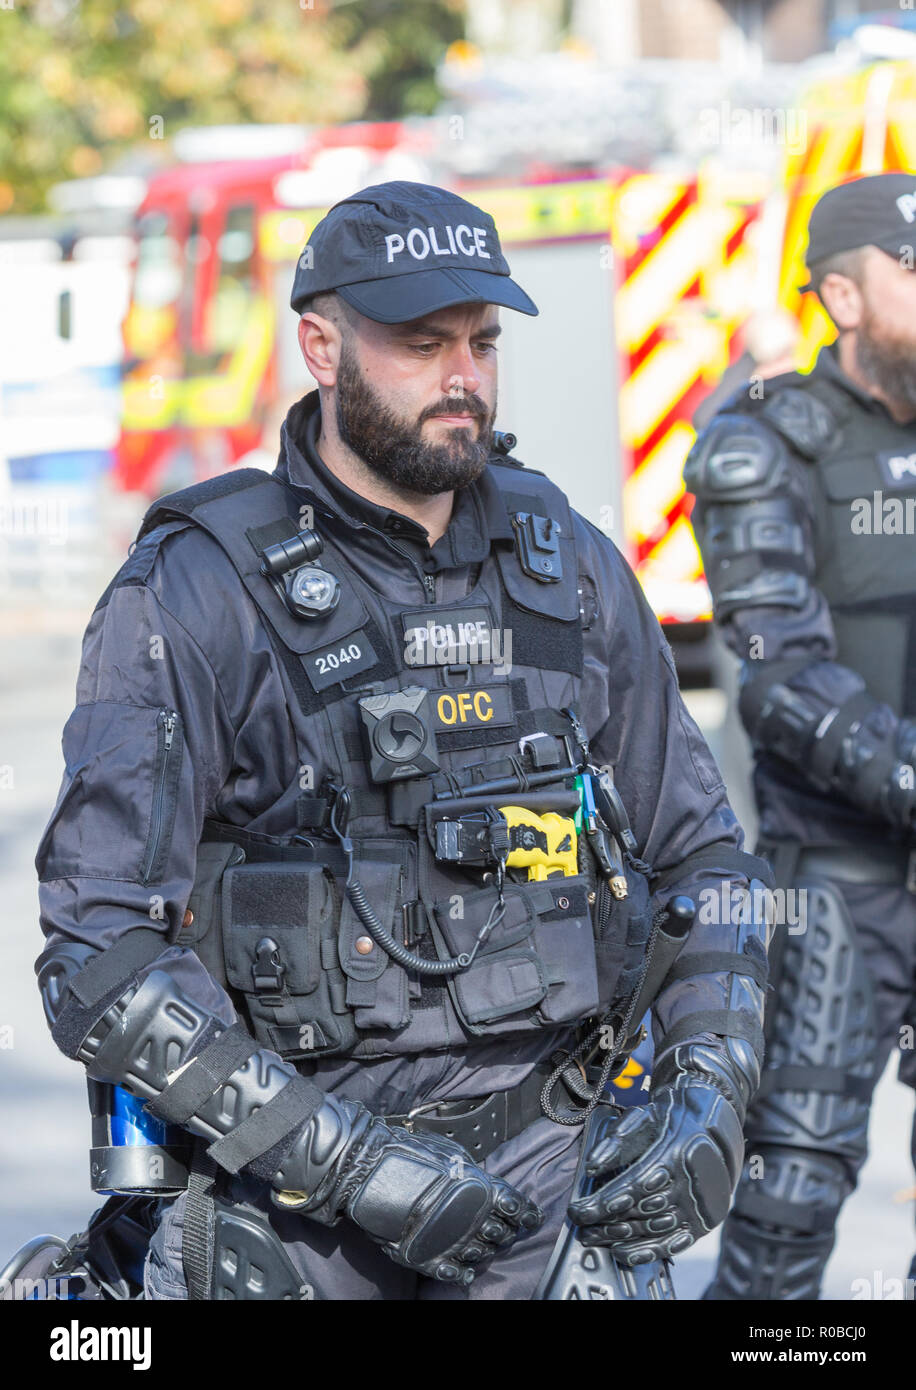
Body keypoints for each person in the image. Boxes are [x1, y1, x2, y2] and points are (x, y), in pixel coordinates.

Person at [34, 181, 769, 1301]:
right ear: (321, 348)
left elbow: (706, 861)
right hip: (293, 1201)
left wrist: (711, 1078)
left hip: (549, 1177)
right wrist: (349, 1165)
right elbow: (96, 953)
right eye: (421, 344)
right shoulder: (197, 588)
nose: (463, 375)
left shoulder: (566, 561)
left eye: (480, 341)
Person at [684, 171, 916, 1301]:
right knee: (786, 1205)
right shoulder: (762, 446)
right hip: (834, 879)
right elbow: (778, 676)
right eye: (911, 267)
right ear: (841, 294)